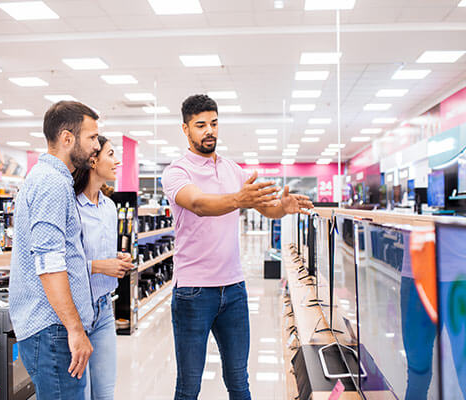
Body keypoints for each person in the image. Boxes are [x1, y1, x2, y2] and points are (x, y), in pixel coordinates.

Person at [161, 94, 314, 400]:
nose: (209, 131)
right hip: (193, 291)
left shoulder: (233, 170)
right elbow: (198, 204)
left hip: (233, 289)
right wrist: (239, 200)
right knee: (189, 386)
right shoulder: (177, 172)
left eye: (214, 123)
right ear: (185, 129)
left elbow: (265, 207)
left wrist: (282, 207)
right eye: (200, 125)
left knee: (239, 381)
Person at [9, 101, 101, 399]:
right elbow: (49, 263)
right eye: (91, 137)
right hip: (54, 331)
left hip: (53, 329)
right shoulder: (51, 183)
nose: (96, 145)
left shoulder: (51, 179)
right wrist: (75, 329)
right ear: (66, 138)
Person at [72, 135, 135, 400]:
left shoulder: (109, 207)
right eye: (110, 154)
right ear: (93, 159)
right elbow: (63, 264)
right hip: (76, 312)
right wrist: (98, 266)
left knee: (105, 393)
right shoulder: (71, 205)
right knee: (81, 393)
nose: (117, 161)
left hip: (104, 308)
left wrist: (119, 260)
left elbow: (106, 254)